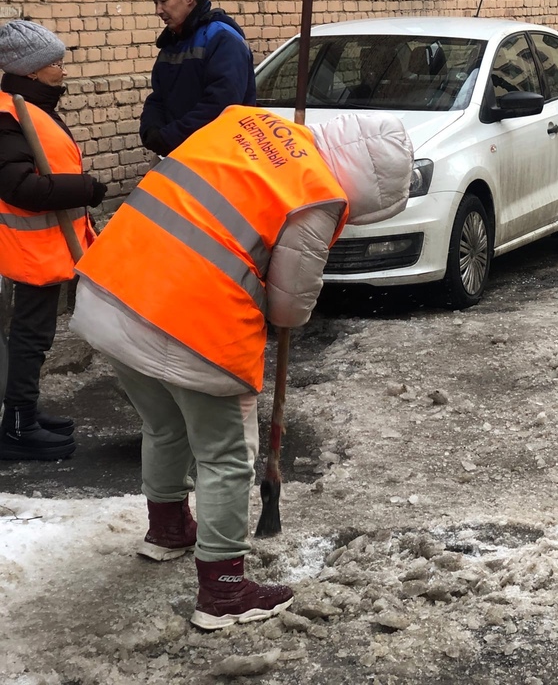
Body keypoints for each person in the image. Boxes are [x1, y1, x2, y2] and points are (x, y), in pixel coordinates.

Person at [70, 104, 413, 629]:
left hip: (111, 290)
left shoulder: (244, 124)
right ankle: (224, 590)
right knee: (226, 455)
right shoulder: (318, 194)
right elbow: (288, 307)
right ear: (367, 191)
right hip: (194, 327)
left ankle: (166, 530)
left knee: (164, 425)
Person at [0, 21, 107, 461]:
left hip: (48, 247)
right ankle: (18, 427)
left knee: (37, 334)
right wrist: (85, 188)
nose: (62, 70)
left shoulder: (31, 106)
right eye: (54, 63)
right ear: (30, 70)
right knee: (30, 336)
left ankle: (24, 413)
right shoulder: (7, 117)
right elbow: (20, 188)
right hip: (28, 250)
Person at [140, 0, 256, 156]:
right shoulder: (172, 42)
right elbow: (159, 97)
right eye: (155, 2)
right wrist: (151, 130)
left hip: (220, 156)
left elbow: (222, 105)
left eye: (163, 1)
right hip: (180, 153)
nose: (158, 10)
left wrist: (170, 137)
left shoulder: (222, 38)